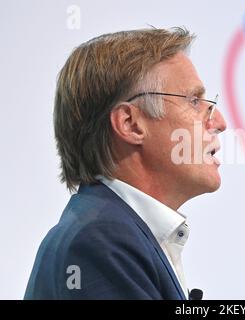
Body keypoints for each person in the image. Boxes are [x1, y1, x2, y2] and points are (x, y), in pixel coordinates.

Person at [24, 27, 227, 299]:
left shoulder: (117, 234)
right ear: (130, 124)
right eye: (193, 101)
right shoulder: (99, 243)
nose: (219, 122)